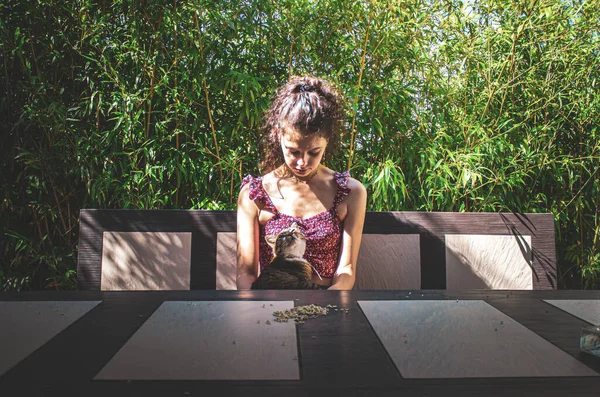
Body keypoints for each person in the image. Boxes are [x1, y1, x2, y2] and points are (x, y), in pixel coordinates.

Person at [236, 76, 367, 290]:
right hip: (271, 304)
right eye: (293, 151)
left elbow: (346, 271)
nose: (302, 162)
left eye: (314, 152)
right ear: (278, 136)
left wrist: (328, 304)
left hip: (327, 300)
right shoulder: (254, 194)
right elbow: (246, 274)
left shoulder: (350, 192)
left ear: (327, 141)